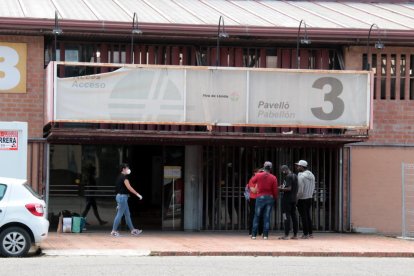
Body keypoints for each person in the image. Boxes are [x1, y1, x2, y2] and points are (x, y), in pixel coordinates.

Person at [110, 163, 143, 237]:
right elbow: (129, 188)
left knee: (127, 215)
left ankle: (133, 230)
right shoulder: (124, 177)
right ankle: (113, 231)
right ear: (123, 169)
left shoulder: (119, 177)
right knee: (120, 214)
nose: (128, 169)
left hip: (121, 197)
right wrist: (138, 194)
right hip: (122, 198)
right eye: (127, 168)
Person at [250, 161, 278, 240]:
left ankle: (254, 235)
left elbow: (253, 181)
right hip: (269, 198)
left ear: (264, 167)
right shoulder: (273, 177)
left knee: (257, 216)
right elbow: (275, 190)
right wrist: (275, 198)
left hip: (260, 197)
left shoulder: (258, 175)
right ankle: (265, 235)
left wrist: (258, 173)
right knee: (267, 216)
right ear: (271, 168)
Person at [295, 160, 315, 239]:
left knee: (303, 217)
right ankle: (310, 233)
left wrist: (297, 199)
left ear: (302, 167)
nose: (297, 167)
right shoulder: (312, 175)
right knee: (308, 216)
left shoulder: (301, 176)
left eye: (298, 166)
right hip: (309, 197)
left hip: (302, 198)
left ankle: (305, 234)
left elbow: (300, 190)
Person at [278, 165, 298, 240]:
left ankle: (286, 235)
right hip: (294, 199)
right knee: (294, 216)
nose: (282, 172)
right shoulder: (295, 176)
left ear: (285, 170)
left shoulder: (288, 176)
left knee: (285, 216)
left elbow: (289, 188)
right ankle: (295, 234)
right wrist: (283, 186)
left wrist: (280, 188)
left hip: (287, 199)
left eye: (282, 171)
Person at [246, 168, 263, 237]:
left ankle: (260, 231)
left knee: (261, 215)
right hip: (253, 199)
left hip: (260, 198)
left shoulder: (262, 180)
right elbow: (254, 191)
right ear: (254, 173)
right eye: (258, 172)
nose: (260, 174)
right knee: (253, 214)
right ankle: (251, 231)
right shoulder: (252, 179)